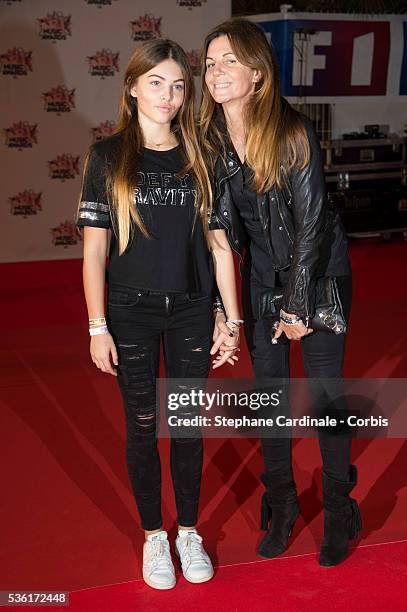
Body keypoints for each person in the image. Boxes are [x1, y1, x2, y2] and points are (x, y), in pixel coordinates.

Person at [77, 39, 241, 590]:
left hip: (193, 310)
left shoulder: (202, 156)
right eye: (155, 83)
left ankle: (188, 531)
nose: (167, 96)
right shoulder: (107, 157)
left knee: (189, 427)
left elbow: (219, 247)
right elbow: (95, 251)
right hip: (130, 314)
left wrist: (229, 317)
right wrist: (98, 326)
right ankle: (154, 538)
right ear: (131, 86)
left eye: (177, 85)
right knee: (144, 429)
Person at [200, 18, 362, 567]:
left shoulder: (291, 130)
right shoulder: (215, 139)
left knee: (325, 398)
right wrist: (227, 311)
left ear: (256, 72)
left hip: (319, 279)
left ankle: (340, 507)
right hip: (264, 280)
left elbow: (312, 225)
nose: (215, 71)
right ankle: (284, 503)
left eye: (228, 61)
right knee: (269, 401)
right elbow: (221, 230)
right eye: (210, 62)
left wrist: (297, 306)